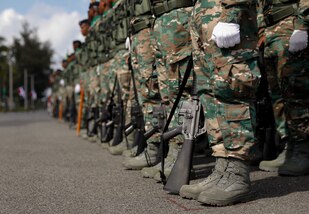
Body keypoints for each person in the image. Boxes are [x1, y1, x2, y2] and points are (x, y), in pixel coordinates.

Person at [180, 0, 261, 206]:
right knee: (210, 90)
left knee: (231, 86)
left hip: (225, 8)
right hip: (205, 11)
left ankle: (237, 172)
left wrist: (232, 13)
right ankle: (222, 167)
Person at [259, 0, 309, 175]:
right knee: (277, 93)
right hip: (272, 28)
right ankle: (289, 146)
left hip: (292, 23)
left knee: (296, 91)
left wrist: (303, 25)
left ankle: (304, 149)